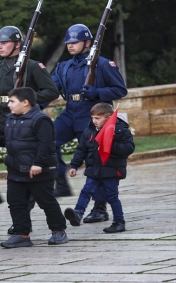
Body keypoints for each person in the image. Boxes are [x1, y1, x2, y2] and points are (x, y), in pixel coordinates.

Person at [0, 26, 59, 216]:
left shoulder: (33, 66)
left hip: (26, 121)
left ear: (17, 44)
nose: (0, 47)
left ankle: (23, 218)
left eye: (4, 43)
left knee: (22, 168)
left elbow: (51, 91)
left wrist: (26, 98)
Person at [51, 24, 128, 224]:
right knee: (48, 137)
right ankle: (61, 182)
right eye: (68, 42)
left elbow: (120, 90)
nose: (70, 45)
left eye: (74, 42)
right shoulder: (64, 66)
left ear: (87, 43)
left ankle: (100, 208)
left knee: (96, 161)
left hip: (93, 115)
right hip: (70, 112)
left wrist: (98, 93)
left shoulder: (102, 65)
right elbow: (51, 89)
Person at [0, 87, 68, 248]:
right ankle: (22, 234)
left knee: (46, 202)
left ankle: (58, 230)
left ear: (25, 102)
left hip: (39, 171)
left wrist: (38, 163)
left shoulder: (41, 120)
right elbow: (9, 140)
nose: (9, 105)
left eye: (12, 101)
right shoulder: (11, 119)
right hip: (15, 170)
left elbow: (46, 145)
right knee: (16, 203)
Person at [64, 103, 135, 233]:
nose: (94, 121)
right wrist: (75, 165)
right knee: (86, 191)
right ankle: (78, 213)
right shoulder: (89, 131)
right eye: (93, 117)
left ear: (108, 118)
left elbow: (128, 149)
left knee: (112, 196)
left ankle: (119, 222)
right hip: (94, 169)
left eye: (98, 118)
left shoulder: (120, 130)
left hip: (111, 170)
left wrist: (109, 144)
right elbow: (81, 150)